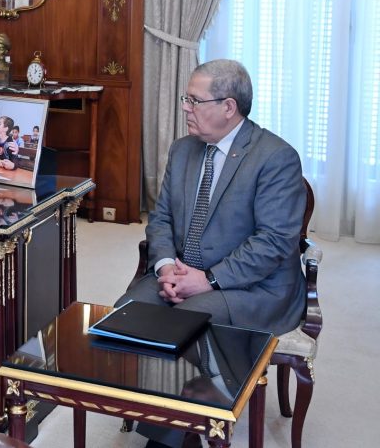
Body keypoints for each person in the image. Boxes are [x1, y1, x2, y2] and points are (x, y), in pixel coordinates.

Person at [116, 59, 305, 448]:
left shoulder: (275, 157)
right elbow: (161, 217)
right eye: (185, 99)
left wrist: (208, 280)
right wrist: (165, 267)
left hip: (252, 287)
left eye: (194, 100)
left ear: (228, 107)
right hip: (181, 271)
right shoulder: (182, 150)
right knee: (125, 315)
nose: (185, 108)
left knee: (187, 321)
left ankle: (175, 435)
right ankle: (157, 405)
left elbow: (273, 242)